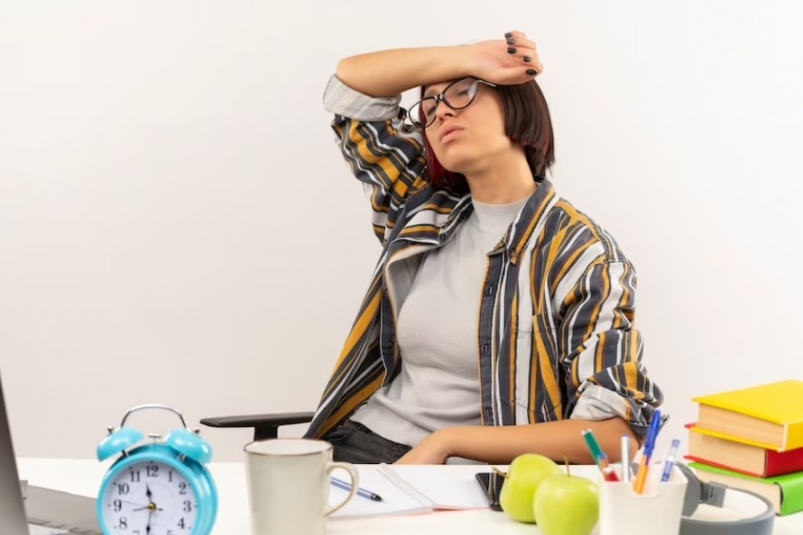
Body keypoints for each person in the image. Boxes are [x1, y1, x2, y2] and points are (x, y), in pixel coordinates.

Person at [302, 30, 664, 465]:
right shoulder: (420, 208)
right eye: (429, 108)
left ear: (516, 104)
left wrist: (447, 442)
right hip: (355, 441)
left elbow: (616, 434)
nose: (441, 113)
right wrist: (467, 58)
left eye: (462, 92)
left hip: (458, 471)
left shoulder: (580, 254)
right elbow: (350, 89)